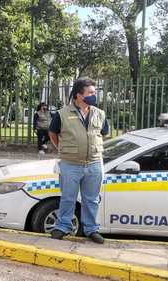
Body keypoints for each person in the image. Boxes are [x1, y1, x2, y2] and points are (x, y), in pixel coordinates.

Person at [48, 77, 110, 244]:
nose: (94, 96)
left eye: (94, 93)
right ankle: (63, 227)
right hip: (70, 164)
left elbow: (104, 133)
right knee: (68, 198)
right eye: (90, 93)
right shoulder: (62, 114)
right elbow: (52, 133)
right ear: (78, 95)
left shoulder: (100, 114)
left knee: (92, 199)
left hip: (94, 164)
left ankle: (91, 230)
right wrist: (62, 148)